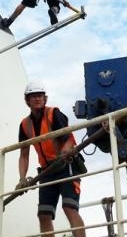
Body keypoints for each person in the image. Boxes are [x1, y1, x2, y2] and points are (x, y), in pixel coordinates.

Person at [17, 81, 86, 237]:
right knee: (43, 214)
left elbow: (68, 139)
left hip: (66, 166)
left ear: (45, 98)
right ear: (27, 100)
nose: (37, 99)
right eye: (33, 96)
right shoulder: (25, 125)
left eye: (40, 96)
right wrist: (22, 178)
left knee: (69, 208)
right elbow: (24, 154)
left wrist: (64, 152)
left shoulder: (54, 114)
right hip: (47, 171)